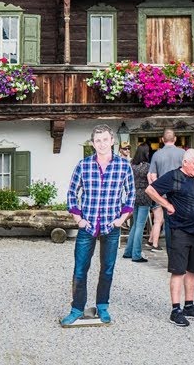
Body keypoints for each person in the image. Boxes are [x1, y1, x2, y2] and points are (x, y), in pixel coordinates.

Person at [61, 126, 134, 326]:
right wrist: (79, 220)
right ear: (93, 144)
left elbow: (130, 195)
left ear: (112, 141)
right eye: (97, 141)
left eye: (105, 139)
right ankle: (77, 309)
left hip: (112, 226)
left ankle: (102, 306)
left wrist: (121, 219)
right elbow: (71, 194)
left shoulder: (123, 166)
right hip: (88, 226)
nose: (101, 144)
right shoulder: (83, 166)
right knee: (79, 269)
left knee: (107, 269)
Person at [146, 148, 194, 327]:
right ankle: (175, 310)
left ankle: (189, 305)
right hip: (180, 231)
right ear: (185, 162)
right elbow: (150, 189)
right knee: (178, 271)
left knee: (193, 270)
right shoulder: (173, 176)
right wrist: (167, 204)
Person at [147, 129, 185, 251]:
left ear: (162, 140)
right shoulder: (183, 153)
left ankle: (161, 245)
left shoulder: (157, 154)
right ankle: (181, 245)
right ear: (175, 139)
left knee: (162, 221)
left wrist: (155, 192)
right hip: (180, 192)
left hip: (162, 194)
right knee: (181, 220)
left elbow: (152, 175)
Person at [123, 143, 153, 264]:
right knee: (140, 225)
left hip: (133, 195)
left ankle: (128, 251)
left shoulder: (131, 165)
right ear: (146, 153)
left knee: (135, 225)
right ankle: (136, 254)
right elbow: (151, 181)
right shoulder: (148, 167)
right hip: (145, 195)